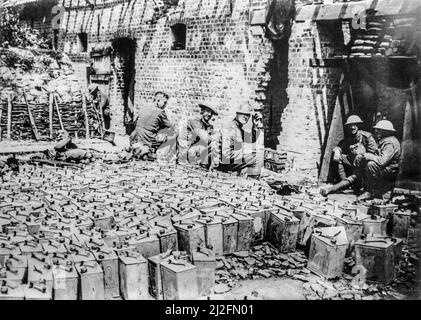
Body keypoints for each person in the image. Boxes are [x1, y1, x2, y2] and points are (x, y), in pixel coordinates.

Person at [320, 115, 377, 196]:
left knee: (353, 178)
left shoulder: (367, 137)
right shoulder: (350, 137)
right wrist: (337, 150)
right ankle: (344, 182)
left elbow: (373, 155)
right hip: (354, 164)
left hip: (364, 167)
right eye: (350, 125)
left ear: (358, 125)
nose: (353, 127)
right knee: (338, 156)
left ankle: (334, 188)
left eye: (355, 125)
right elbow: (341, 146)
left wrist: (362, 156)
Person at [356, 120, 401, 200]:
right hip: (386, 168)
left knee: (371, 165)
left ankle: (370, 192)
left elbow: (382, 161)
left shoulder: (389, 143)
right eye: (377, 129)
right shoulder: (385, 140)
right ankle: (369, 189)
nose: (376, 131)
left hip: (391, 171)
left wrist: (370, 156)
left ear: (386, 131)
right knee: (365, 161)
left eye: (379, 130)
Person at [216, 102, 263, 175]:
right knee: (256, 155)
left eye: (248, 115)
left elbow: (251, 140)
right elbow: (226, 154)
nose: (245, 117)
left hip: (232, 162)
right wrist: (245, 151)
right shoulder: (230, 128)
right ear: (237, 113)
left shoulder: (238, 128)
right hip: (225, 165)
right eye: (243, 113)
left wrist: (255, 126)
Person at [129, 91, 174, 160]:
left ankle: (139, 149)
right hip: (148, 139)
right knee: (171, 133)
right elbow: (170, 126)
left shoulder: (144, 107)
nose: (166, 105)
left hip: (134, 137)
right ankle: (160, 153)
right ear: (158, 101)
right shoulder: (160, 111)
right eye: (164, 102)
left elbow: (136, 123)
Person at [177, 101, 219, 167]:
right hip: (189, 152)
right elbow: (205, 139)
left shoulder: (206, 124)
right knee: (214, 144)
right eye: (207, 111)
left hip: (196, 151)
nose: (209, 114)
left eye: (211, 113)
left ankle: (208, 165)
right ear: (202, 111)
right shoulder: (195, 121)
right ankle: (211, 166)